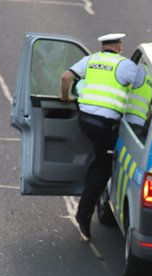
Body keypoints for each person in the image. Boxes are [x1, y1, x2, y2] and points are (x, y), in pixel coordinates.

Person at [60, 33, 142, 241]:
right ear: (119, 48)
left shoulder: (91, 60)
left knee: (100, 160)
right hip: (104, 125)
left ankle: (94, 199)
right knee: (106, 165)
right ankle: (84, 213)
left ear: (103, 46)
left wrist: (66, 97)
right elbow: (143, 87)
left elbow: (66, 77)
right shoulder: (124, 65)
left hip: (86, 121)